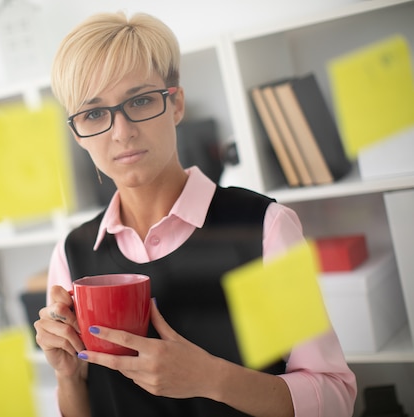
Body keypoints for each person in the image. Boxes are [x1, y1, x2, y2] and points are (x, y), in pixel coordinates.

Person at [34, 10, 357, 417]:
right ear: (77, 133)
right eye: (95, 113)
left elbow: (333, 398)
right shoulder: (72, 253)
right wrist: (67, 375)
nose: (121, 132)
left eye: (140, 100)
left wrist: (210, 378)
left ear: (176, 104)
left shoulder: (258, 230)